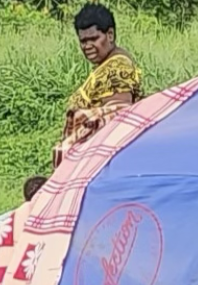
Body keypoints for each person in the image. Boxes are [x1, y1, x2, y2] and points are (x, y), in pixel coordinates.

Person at [53, 3, 143, 168]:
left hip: (102, 163)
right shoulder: (107, 66)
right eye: (83, 41)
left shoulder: (116, 68)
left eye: (93, 39)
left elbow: (116, 117)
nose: (87, 46)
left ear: (110, 34)